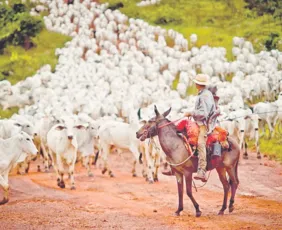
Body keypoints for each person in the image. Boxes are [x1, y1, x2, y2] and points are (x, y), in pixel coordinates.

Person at [162, 74, 216, 182]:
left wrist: (191, 112)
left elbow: (203, 113)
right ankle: (175, 166)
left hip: (204, 125)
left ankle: (202, 170)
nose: (195, 84)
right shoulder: (203, 93)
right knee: (181, 136)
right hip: (198, 122)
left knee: (201, 144)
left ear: (198, 84)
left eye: (196, 82)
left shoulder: (204, 96)